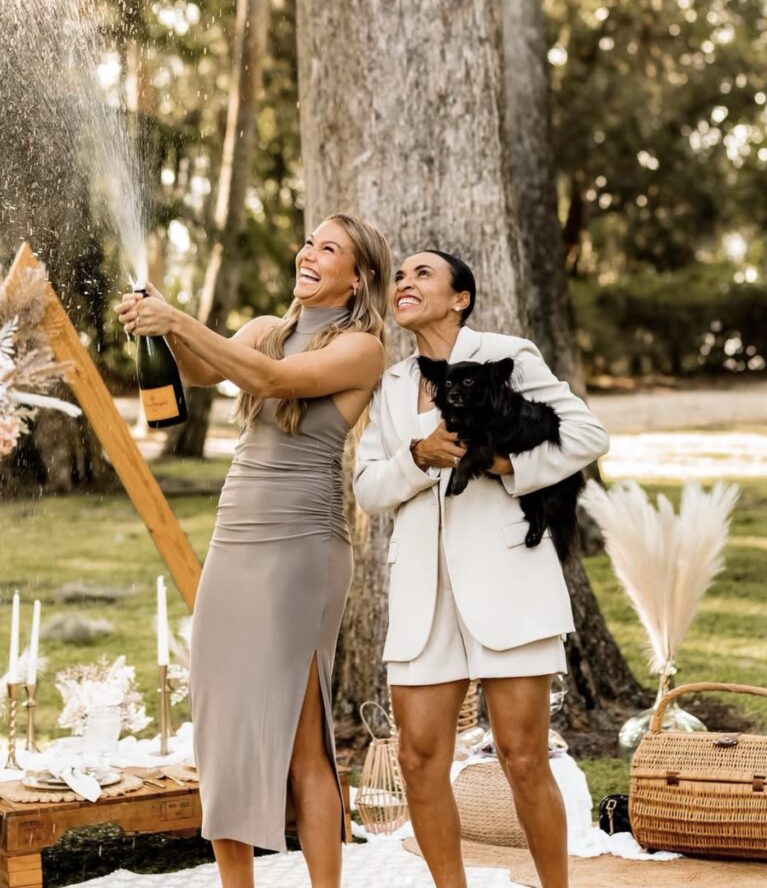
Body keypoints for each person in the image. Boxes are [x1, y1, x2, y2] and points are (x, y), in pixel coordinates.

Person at [116, 215, 392, 888]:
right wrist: (159, 326)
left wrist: (176, 318)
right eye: (308, 242)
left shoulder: (363, 348)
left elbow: (271, 380)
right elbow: (204, 369)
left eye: (329, 249)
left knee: (304, 741)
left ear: (357, 278)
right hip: (235, 535)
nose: (308, 253)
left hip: (301, 544)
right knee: (220, 728)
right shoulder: (264, 328)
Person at [353, 249, 610, 888]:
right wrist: (418, 456)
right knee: (416, 760)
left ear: (460, 297)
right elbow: (367, 487)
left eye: (423, 275)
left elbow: (586, 435)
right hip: (421, 591)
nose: (405, 283)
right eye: (401, 277)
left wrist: (503, 466)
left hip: (508, 580)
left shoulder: (511, 355)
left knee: (524, 759)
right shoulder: (388, 384)